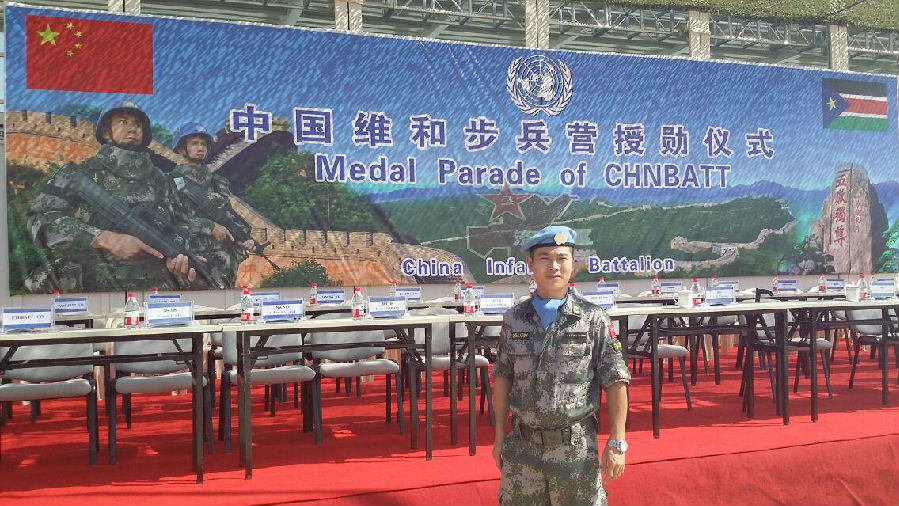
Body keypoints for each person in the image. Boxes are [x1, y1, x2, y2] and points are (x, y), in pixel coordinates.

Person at [492, 225, 631, 506]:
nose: (553, 266)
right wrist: (499, 436)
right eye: (544, 258)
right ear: (530, 264)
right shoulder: (514, 319)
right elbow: (503, 377)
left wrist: (617, 441)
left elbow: (616, 380)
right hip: (522, 451)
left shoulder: (593, 318)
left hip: (575, 452)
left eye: (561, 258)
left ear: (572, 264)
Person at [27, 101, 217, 292]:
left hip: (152, 291)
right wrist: (105, 239)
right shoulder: (79, 173)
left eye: (138, 124)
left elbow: (175, 224)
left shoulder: (159, 179)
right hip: (88, 290)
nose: (132, 129)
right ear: (106, 132)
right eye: (122, 122)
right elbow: (39, 221)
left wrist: (176, 256)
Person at [169, 122, 252, 288]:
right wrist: (208, 226)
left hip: (225, 266)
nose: (200, 148)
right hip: (193, 263)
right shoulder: (173, 181)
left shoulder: (218, 183)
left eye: (203, 144)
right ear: (181, 149)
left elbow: (228, 215)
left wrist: (241, 239)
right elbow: (170, 222)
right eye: (194, 143)